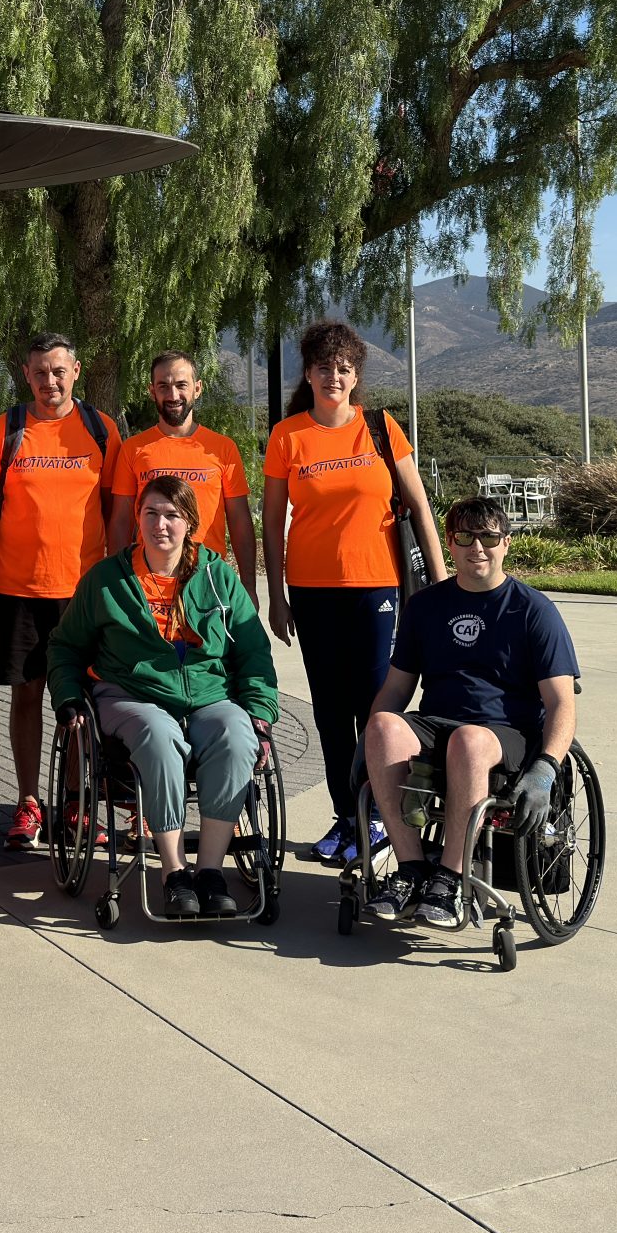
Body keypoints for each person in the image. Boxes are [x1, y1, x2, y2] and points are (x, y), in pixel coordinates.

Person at [261, 320, 447, 868]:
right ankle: (348, 816)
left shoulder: (381, 428)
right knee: (328, 712)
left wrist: (438, 588)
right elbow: (273, 524)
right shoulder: (287, 435)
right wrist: (276, 595)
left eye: (344, 368)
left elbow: (419, 507)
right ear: (310, 373)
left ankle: (378, 816)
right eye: (324, 367)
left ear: (356, 374)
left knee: (374, 707)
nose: (334, 376)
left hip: (376, 587)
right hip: (313, 591)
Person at [49, 477, 277, 918]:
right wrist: (69, 697)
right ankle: (174, 872)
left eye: (172, 514)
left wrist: (259, 714)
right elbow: (64, 646)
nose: (160, 524)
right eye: (151, 513)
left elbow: (253, 653)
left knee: (237, 735)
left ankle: (209, 872)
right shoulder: (106, 580)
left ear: (190, 522)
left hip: (209, 696)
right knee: (159, 734)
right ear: (138, 518)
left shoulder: (217, 577)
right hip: (131, 695)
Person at [362, 497, 579, 928]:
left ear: (506, 544)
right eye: (464, 537)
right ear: (450, 544)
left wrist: (546, 768)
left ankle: (450, 879)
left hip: (508, 730)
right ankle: (411, 869)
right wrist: (367, 741)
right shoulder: (425, 606)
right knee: (384, 726)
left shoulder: (534, 611)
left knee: (470, 739)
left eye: (488, 537)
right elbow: (396, 689)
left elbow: (561, 704)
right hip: (440, 721)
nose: (476, 547)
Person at [0, 332, 121, 849]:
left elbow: (118, 509)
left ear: (76, 371)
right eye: (40, 372)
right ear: (26, 374)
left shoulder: (99, 430)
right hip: (17, 588)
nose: (50, 382)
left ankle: (74, 806)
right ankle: (27, 803)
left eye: (58, 371)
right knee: (27, 694)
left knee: (82, 702)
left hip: (82, 595)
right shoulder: (7, 429)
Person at [106, 349, 255, 591]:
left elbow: (239, 521)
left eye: (181, 385)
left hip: (207, 579)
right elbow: (121, 522)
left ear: (197, 388)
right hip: (148, 583)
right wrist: (115, 582)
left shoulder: (223, 449)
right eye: (163, 386)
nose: (173, 394)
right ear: (152, 391)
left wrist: (248, 585)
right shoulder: (133, 449)